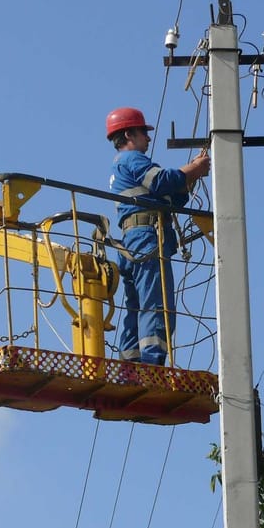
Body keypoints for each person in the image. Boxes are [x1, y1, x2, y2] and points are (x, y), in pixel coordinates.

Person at [106, 107, 210, 366]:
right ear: (129, 134)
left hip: (132, 240)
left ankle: (131, 363)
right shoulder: (132, 159)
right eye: (144, 133)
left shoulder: (122, 165)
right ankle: (152, 362)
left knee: (136, 305)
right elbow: (162, 181)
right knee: (156, 301)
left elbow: (170, 196)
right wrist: (194, 169)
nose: (148, 139)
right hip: (147, 238)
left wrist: (190, 176)